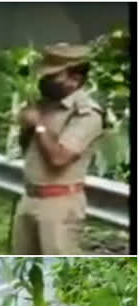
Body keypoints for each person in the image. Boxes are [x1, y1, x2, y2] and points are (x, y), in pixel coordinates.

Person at [13, 44, 104, 255]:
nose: (44, 81)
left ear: (75, 79)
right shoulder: (45, 106)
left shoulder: (87, 114)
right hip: (29, 197)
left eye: (53, 76)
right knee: (23, 269)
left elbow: (58, 158)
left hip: (59, 206)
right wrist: (26, 127)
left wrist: (39, 125)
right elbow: (27, 149)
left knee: (58, 274)